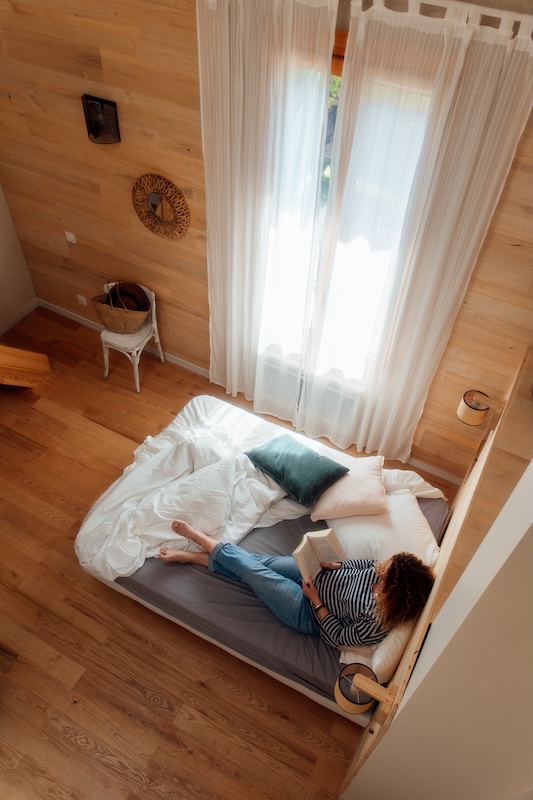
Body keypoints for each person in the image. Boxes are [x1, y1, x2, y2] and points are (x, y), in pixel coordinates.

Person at [159, 520, 435, 649]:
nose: (380, 572)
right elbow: (359, 565)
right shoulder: (381, 570)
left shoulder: (378, 621)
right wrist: (333, 565)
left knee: (252, 570)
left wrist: (316, 600)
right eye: (385, 569)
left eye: (385, 577)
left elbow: (340, 636)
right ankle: (194, 558)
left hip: (308, 611)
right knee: (256, 563)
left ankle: (197, 540)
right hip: (318, 575)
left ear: (395, 592)